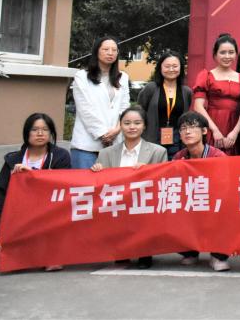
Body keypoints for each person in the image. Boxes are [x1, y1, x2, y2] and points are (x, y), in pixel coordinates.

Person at [0, 113, 71, 271]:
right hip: (20, 216)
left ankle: (52, 254)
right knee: (14, 262)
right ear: (26, 133)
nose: (40, 133)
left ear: (51, 133)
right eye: (35, 129)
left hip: (49, 214)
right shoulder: (13, 160)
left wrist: (32, 174)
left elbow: (64, 188)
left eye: (45, 129)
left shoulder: (61, 156)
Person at [90, 105, 168, 268]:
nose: (132, 127)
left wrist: (149, 171)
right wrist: (97, 170)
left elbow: (164, 181)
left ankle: (145, 252)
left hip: (145, 204)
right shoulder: (106, 153)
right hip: (118, 205)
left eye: (137, 123)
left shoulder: (158, 151)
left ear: (144, 126)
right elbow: (98, 186)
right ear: (120, 126)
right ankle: (122, 250)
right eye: (127, 123)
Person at [172, 111, 230, 271]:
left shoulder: (217, 156)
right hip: (190, 204)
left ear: (204, 131)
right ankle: (190, 251)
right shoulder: (178, 157)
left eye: (192, 127)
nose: (187, 132)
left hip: (214, 204)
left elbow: (225, 187)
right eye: (183, 128)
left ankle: (218, 255)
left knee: (224, 212)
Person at [70, 36, 130, 169]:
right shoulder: (82, 76)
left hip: (114, 143)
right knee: (84, 181)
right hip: (86, 145)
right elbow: (85, 109)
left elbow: (125, 107)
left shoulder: (123, 77)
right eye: (106, 49)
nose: (110, 53)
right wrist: (103, 134)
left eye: (114, 50)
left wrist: (118, 129)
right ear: (96, 51)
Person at [192, 33, 240, 154]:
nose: (227, 56)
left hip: (236, 128)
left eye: (231, 52)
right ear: (215, 54)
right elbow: (198, 106)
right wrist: (214, 130)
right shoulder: (206, 76)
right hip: (211, 123)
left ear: (236, 54)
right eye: (223, 52)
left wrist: (235, 132)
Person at [137, 50, 192, 159]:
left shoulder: (186, 91)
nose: (171, 69)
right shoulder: (151, 88)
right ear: (160, 68)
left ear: (181, 68)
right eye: (167, 66)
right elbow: (139, 112)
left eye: (175, 66)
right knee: (153, 166)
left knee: (174, 166)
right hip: (152, 137)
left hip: (177, 138)